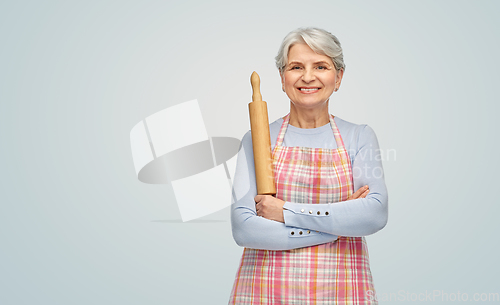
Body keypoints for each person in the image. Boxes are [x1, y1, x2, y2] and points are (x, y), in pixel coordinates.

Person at [228, 27, 388, 305]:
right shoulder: (256, 139)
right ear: (282, 77)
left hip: (342, 289)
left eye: (321, 66)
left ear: (338, 78)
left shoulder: (359, 137)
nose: (308, 76)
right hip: (265, 290)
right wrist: (336, 227)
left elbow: (373, 215)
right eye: (296, 67)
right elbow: (245, 230)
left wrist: (285, 211)